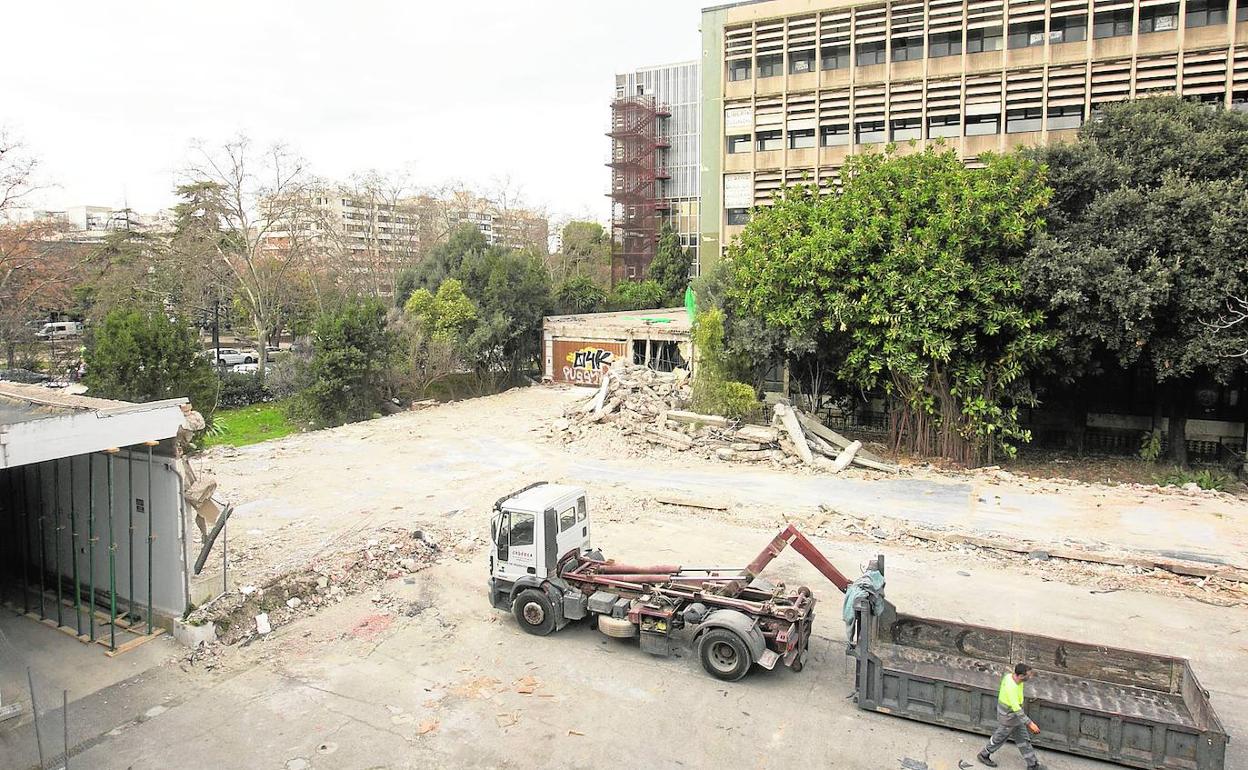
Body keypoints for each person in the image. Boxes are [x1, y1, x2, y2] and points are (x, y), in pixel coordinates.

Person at [978, 663, 1043, 770]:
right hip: (1008, 718)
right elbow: (1016, 708)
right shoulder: (1011, 687)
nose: (1030, 677)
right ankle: (984, 754)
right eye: (1029, 675)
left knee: (1023, 740)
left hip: (1014, 718)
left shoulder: (1011, 677)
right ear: (1021, 676)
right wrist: (1030, 723)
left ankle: (1032, 765)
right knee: (999, 738)